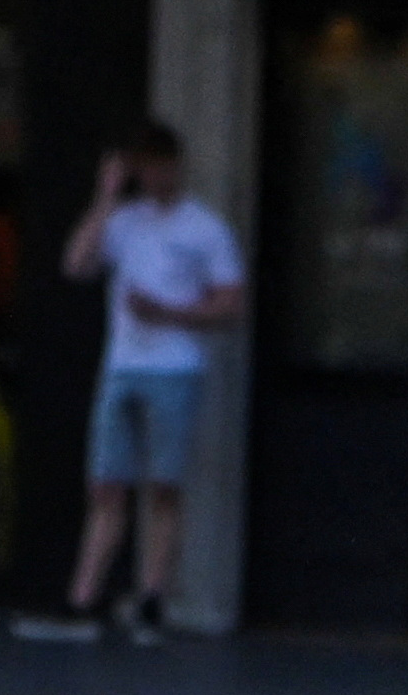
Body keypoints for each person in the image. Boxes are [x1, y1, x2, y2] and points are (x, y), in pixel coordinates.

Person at [20, 119, 243, 644]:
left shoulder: (204, 229)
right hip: (123, 364)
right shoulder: (125, 222)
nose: (152, 176)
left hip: (175, 367)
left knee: (163, 485)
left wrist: (169, 313)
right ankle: (84, 599)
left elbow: (230, 304)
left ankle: (151, 598)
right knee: (107, 483)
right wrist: (104, 200)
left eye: (159, 166)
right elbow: (76, 264)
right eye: (144, 168)